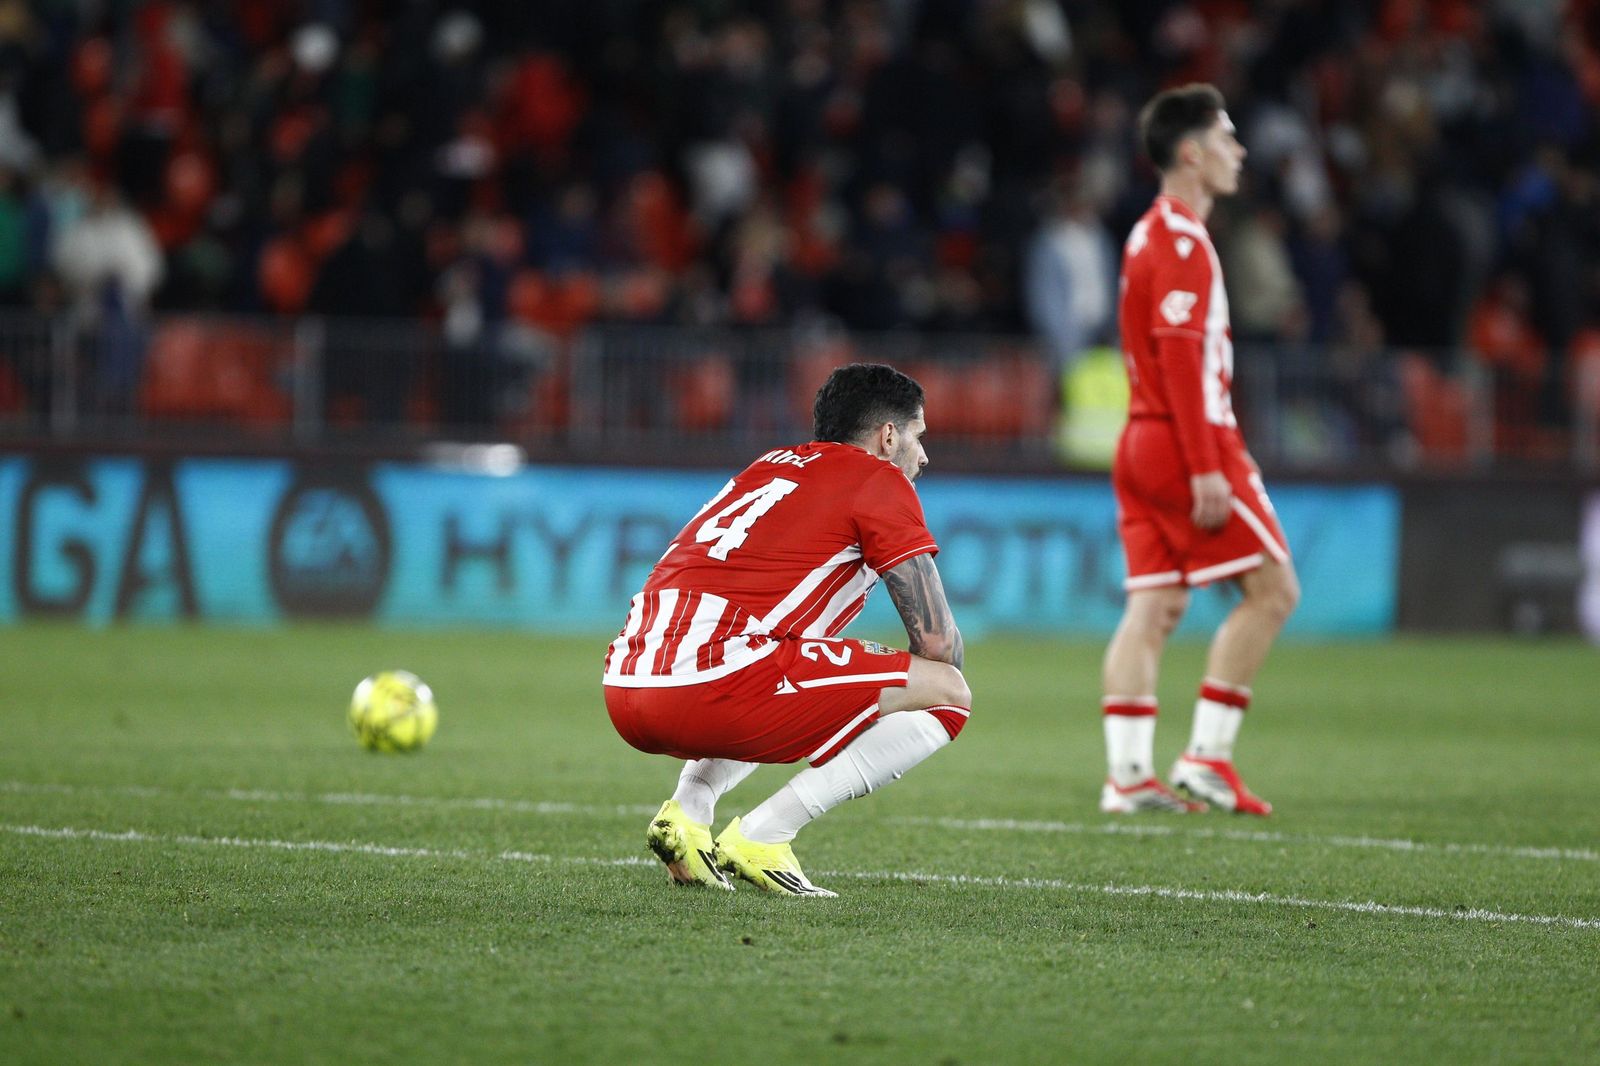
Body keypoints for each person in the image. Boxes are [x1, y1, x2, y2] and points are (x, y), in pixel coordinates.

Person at [603, 363, 971, 895]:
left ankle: (687, 814)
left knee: (786, 661)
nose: (923, 455)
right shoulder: (879, 478)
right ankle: (765, 835)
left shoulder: (768, 466)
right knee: (948, 694)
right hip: (711, 683)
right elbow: (939, 647)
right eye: (918, 436)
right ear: (888, 436)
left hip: (626, 681)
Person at [1099, 84, 1300, 816]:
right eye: (1227, 138)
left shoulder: (1146, 233)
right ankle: (1207, 756)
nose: (1239, 151)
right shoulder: (1183, 242)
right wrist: (1208, 466)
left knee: (1153, 606)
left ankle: (1126, 776)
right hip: (1188, 441)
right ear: (1192, 153)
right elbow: (1182, 361)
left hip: (1139, 439)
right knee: (1275, 591)